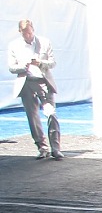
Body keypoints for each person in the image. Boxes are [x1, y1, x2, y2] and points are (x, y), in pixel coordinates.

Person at [7, 19, 63, 160]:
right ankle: (42, 148)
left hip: (43, 82)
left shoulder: (44, 42)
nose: (29, 36)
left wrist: (41, 63)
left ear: (33, 30)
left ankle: (56, 148)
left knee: (51, 113)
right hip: (26, 83)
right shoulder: (14, 46)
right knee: (33, 118)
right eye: (26, 34)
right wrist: (23, 66)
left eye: (31, 33)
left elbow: (53, 62)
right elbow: (11, 68)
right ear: (20, 32)